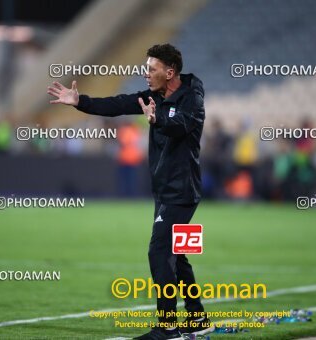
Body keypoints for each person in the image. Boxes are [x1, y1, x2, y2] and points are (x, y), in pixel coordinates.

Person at [48, 43, 213, 339]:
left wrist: (157, 119)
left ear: (170, 71)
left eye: (152, 68)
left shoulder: (192, 99)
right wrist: (79, 101)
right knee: (177, 254)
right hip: (165, 189)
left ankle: (167, 328)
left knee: (159, 252)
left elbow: (182, 126)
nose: (145, 73)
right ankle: (198, 318)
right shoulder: (153, 96)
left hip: (182, 190)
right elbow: (116, 104)